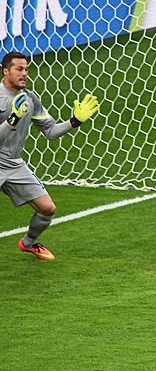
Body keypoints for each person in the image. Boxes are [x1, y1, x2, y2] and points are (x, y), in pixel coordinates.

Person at [0, 51, 99, 260]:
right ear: (6, 71)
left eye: (26, 69)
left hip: (14, 164)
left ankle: (28, 243)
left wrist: (75, 122)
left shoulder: (30, 99)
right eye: (19, 69)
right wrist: (11, 120)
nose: (24, 74)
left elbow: (50, 131)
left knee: (47, 208)